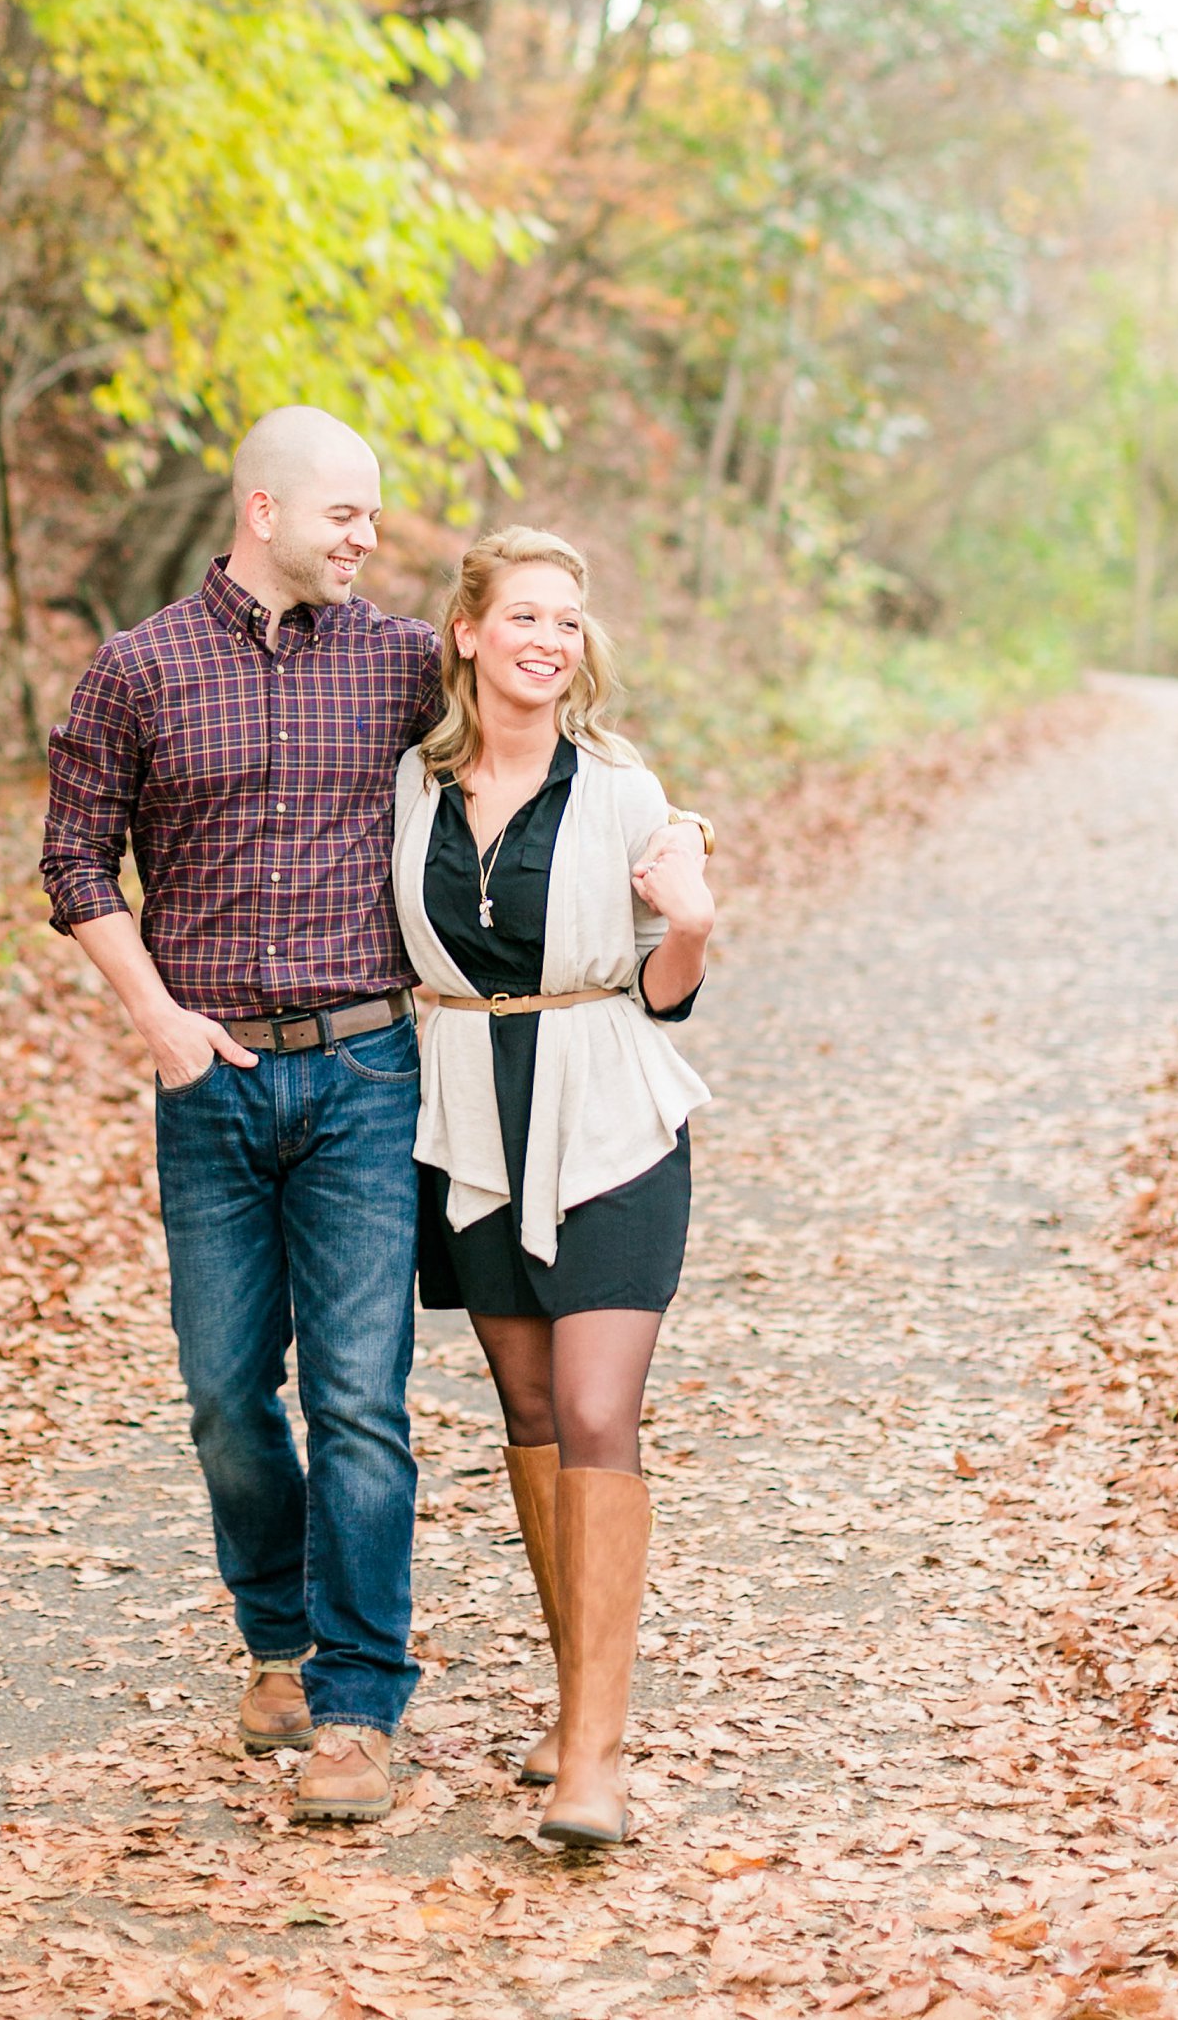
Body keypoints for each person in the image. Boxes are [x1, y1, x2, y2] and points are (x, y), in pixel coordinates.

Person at [39, 406, 440, 1822]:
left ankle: (357, 1703)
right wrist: (154, 1016)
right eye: (349, 516)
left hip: (366, 1077)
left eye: (374, 519)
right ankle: (272, 1637)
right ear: (265, 510)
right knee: (224, 1399)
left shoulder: (402, 663)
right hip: (208, 1079)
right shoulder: (138, 668)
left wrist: (660, 831)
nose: (369, 539)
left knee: (358, 1401)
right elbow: (75, 860)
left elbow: (536, 740)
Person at [392, 524, 715, 1848]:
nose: (546, 639)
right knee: (526, 1406)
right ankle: (574, 1693)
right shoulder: (407, 787)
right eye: (522, 615)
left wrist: (689, 922)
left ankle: (594, 1759)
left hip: (609, 1119)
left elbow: (669, 992)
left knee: (594, 1408)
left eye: (566, 622)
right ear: (467, 633)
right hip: (470, 1111)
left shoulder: (626, 791)